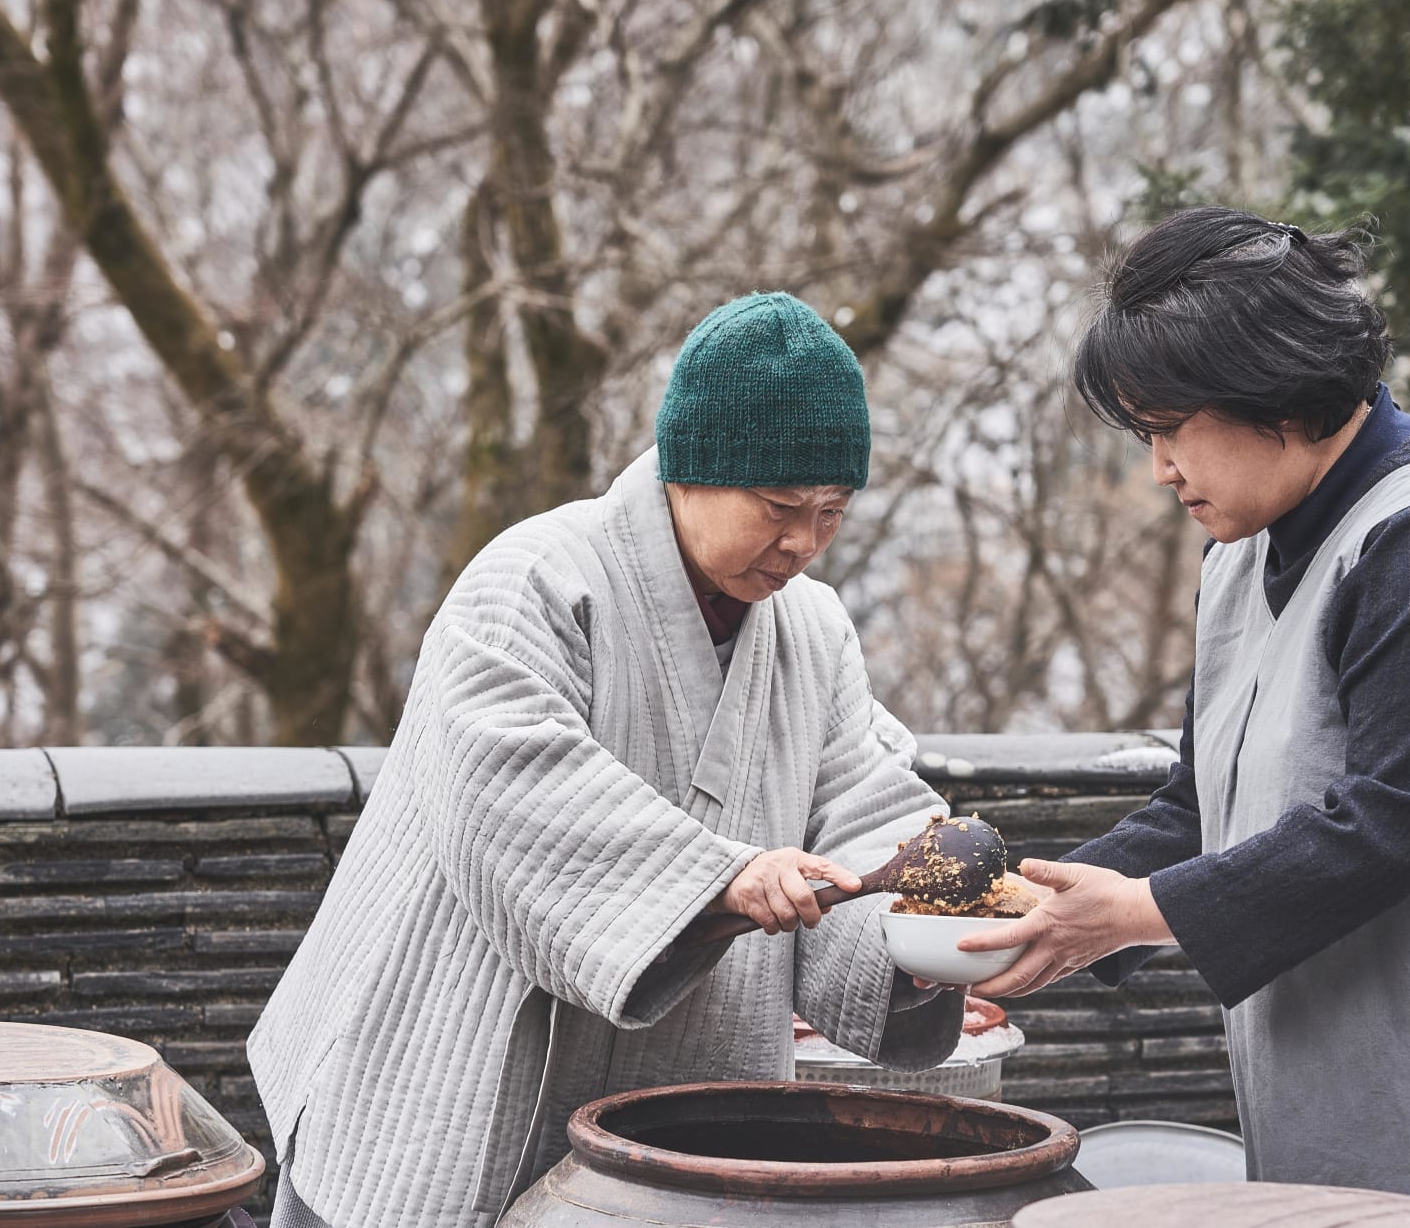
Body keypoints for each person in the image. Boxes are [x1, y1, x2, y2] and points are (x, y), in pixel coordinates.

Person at [956, 206, 1410, 1227]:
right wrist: (1011, 916)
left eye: (1170, 429)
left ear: (1271, 391)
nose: (1160, 470)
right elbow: (1199, 805)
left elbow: (1392, 821)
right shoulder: (1241, 549)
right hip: (1353, 1065)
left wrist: (1133, 916)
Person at [248, 292, 965, 1227]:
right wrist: (726, 876)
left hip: (675, 1120)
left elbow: (867, 810)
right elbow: (509, 789)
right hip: (448, 1074)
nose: (804, 544)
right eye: (781, 507)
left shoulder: (814, 632)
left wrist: (933, 914)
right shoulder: (535, 578)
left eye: (831, 513)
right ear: (690, 469)